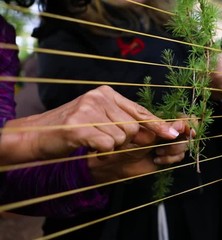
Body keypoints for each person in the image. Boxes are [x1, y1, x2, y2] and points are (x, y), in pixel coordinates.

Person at [12, 0, 222, 239]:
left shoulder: (171, 21)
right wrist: (193, 77)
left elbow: (212, 68)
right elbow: (71, 89)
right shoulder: (66, 24)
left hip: (194, 185)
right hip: (117, 197)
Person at [0, 0, 193, 219]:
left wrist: (101, 168)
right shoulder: (63, 28)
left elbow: (7, 181)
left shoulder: (3, 37)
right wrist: (28, 139)